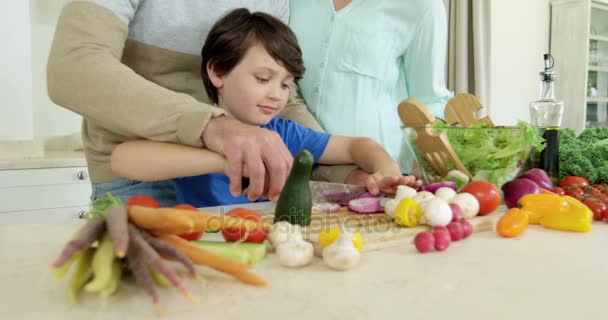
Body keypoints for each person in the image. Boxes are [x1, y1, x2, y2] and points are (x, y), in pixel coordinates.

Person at [110, 8, 422, 208]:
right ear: (217, 72)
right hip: (209, 243)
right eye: (262, 78)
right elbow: (123, 159)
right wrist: (227, 161)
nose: (276, 95)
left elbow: (359, 146)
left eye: (286, 84)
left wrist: (387, 172)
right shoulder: (199, 127)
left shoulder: (283, 133)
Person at [47, 0, 333, 207]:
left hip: (230, 180)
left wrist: (343, 171)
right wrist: (214, 126)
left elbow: (285, 96)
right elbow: (72, 67)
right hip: (138, 179)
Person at [289, 0, 453, 174]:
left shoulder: (421, 5)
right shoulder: (289, 3)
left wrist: (425, 162)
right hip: (293, 165)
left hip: (379, 177)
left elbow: (431, 100)